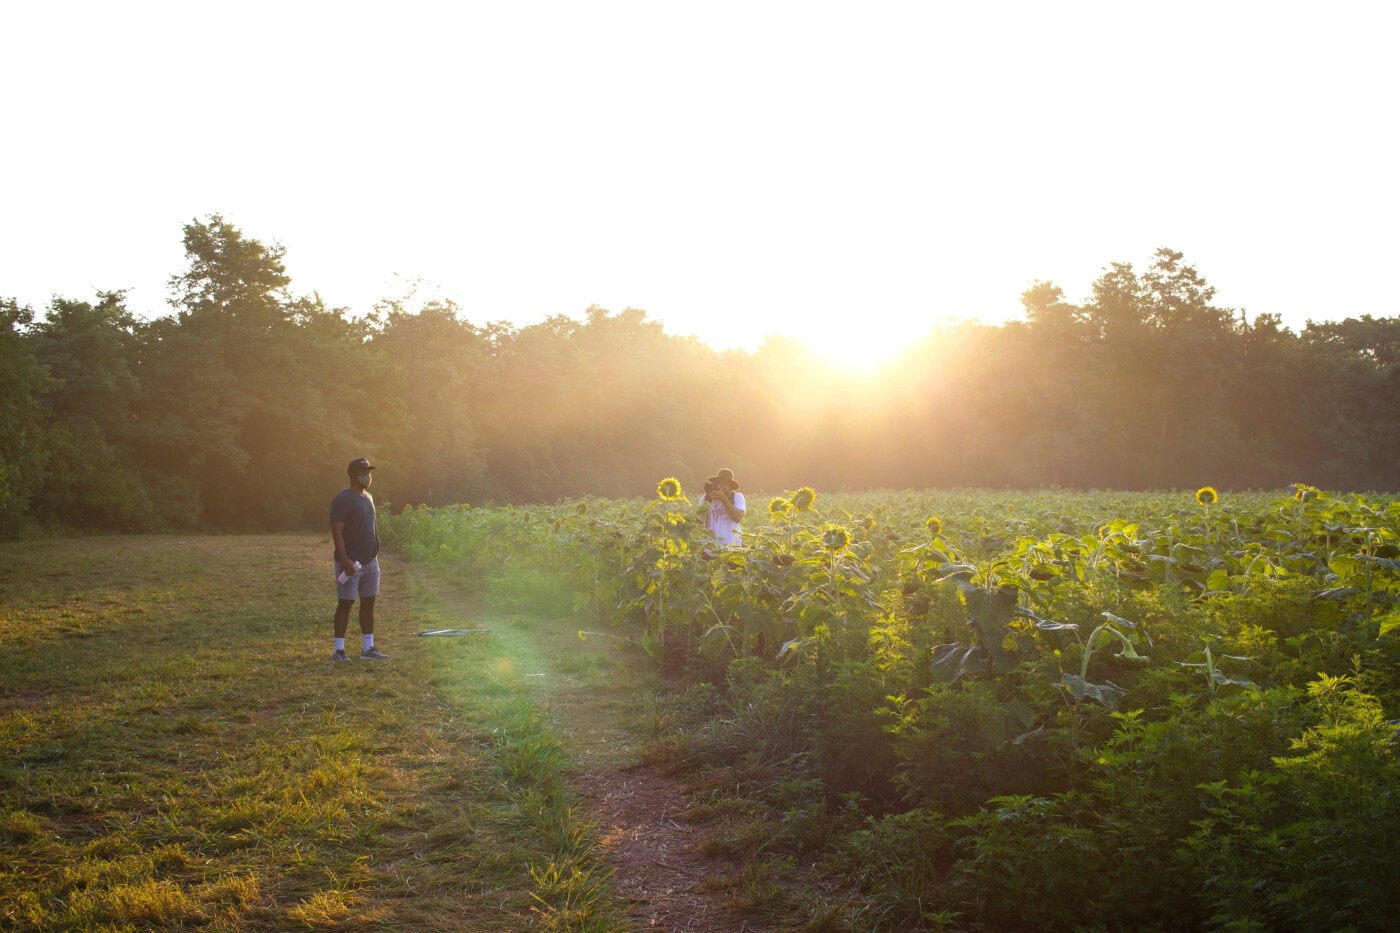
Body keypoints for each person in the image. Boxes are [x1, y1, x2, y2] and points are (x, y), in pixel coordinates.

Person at [330, 457, 388, 661]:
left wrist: (376, 544)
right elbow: (337, 531)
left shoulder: (369, 497)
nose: (368, 475)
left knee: (368, 603)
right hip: (350, 563)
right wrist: (344, 560)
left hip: (370, 561)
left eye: (369, 471)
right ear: (353, 475)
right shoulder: (343, 499)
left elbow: (370, 525)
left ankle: (368, 648)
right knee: (345, 604)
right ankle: (338, 650)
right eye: (363, 472)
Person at [703, 467, 746, 547]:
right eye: (719, 483)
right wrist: (707, 497)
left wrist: (722, 497)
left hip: (732, 548)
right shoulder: (706, 497)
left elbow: (737, 518)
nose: (721, 486)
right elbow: (699, 521)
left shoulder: (737, 497)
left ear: (731, 487)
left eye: (725, 484)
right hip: (709, 548)